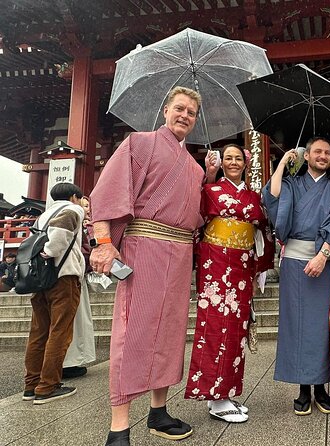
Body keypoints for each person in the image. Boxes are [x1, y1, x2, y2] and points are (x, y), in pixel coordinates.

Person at [91, 86, 216, 446]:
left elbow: (193, 211)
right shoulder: (139, 143)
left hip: (179, 254)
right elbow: (109, 192)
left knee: (170, 332)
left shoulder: (193, 167)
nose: (185, 116)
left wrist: (206, 177)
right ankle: (119, 426)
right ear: (165, 110)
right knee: (133, 332)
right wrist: (103, 243)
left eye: (191, 112)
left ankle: (158, 411)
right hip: (143, 246)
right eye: (179, 108)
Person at [262, 137, 330, 416]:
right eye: (318, 151)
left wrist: (324, 255)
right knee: (296, 324)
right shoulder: (292, 183)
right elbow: (272, 196)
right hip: (293, 261)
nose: (323, 156)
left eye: (328, 152)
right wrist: (282, 162)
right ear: (307, 155)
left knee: (322, 324)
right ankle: (303, 388)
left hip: (322, 261)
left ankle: (322, 388)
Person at [185, 144, 275, 422]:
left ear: (246, 163)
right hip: (215, 264)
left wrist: (261, 264)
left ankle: (226, 392)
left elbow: (262, 229)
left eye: (238, 158)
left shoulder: (253, 195)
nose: (233, 162)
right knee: (214, 326)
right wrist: (208, 176)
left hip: (242, 266)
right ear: (221, 162)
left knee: (236, 329)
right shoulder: (210, 190)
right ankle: (214, 397)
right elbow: (197, 222)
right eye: (228, 158)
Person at [23, 182, 85, 405]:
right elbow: (58, 238)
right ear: (74, 197)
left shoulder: (43, 215)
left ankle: (31, 384)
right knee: (60, 331)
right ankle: (47, 386)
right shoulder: (73, 209)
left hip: (40, 281)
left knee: (39, 332)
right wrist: (48, 253)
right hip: (63, 278)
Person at [62, 196, 96, 379]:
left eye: (89, 206)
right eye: (84, 206)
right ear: (73, 199)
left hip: (56, 277)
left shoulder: (47, 216)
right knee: (72, 322)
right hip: (71, 276)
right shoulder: (73, 218)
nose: (87, 210)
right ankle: (68, 364)